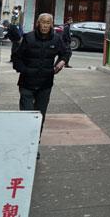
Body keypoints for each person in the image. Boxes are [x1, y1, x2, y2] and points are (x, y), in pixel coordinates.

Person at [11, 12, 71, 155]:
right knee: (27, 116)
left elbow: (66, 53)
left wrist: (61, 63)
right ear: (38, 23)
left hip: (45, 84)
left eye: (48, 22)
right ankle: (26, 144)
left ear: (52, 24)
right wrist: (24, 70)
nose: (45, 25)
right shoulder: (28, 38)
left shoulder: (56, 40)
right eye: (42, 22)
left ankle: (34, 145)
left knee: (39, 117)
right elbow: (16, 57)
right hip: (27, 83)